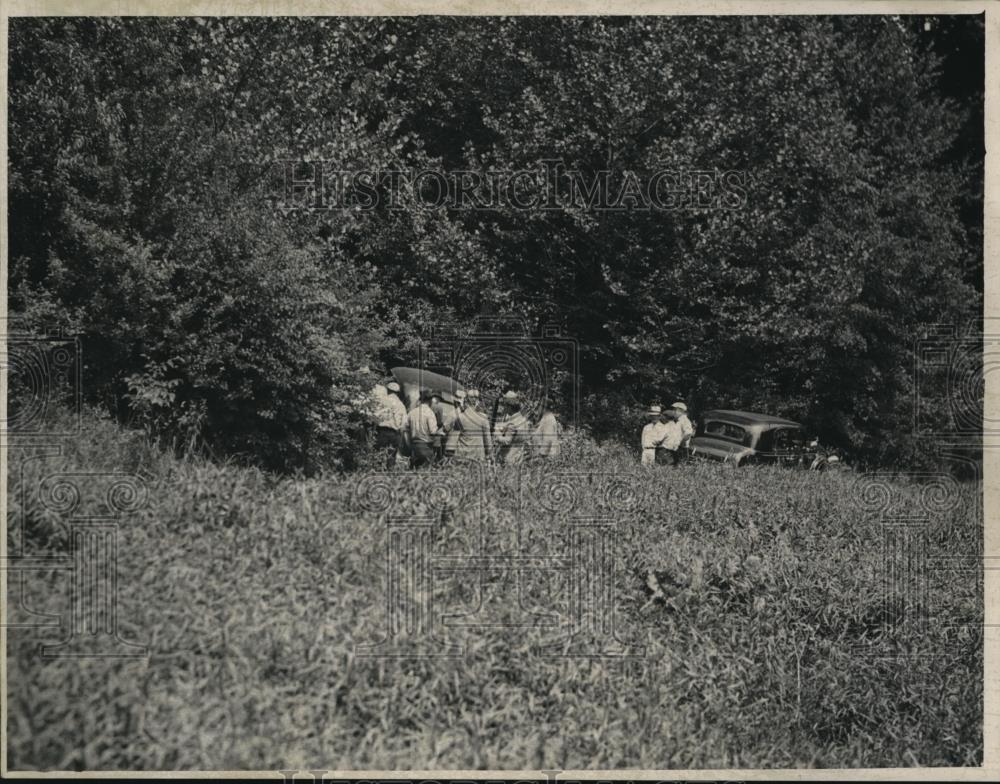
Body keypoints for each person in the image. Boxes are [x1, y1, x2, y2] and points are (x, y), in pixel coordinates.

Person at [372, 380, 408, 469]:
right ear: (397, 393)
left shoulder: (382, 401)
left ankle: (377, 474)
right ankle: (390, 475)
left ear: (388, 390)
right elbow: (404, 423)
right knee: (391, 458)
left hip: (382, 432)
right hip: (395, 434)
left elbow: (375, 416)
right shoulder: (401, 405)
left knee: (378, 456)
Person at [450, 389, 493, 461]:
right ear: (477, 402)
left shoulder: (460, 417)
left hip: (461, 455)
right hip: (477, 457)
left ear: (466, 401)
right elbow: (487, 440)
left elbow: (454, 438)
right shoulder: (483, 418)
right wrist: (489, 454)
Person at [494, 390, 532, 464]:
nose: (503, 407)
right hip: (518, 458)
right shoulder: (523, 419)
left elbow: (507, 441)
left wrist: (496, 434)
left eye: (505, 405)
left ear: (509, 406)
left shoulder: (513, 423)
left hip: (508, 460)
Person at [407, 388, 439, 468]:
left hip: (414, 447)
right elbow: (433, 431)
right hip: (426, 447)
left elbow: (405, 428)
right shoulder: (430, 413)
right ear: (430, 400)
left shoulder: (412, 412)